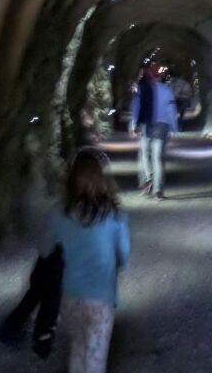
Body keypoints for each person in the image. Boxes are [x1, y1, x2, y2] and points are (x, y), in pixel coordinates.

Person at [40, 147, 130, 373]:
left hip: (69, 296)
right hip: (101, 297)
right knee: (95, 357)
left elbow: (44, 250)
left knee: (78, 349)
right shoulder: (115, 215)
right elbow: (124, 255)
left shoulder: (60, 212)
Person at [0, 245, 64, 358]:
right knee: (49, 302)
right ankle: (41, 343)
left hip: (47, 262)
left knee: (36, 295)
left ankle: (9, 329)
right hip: (55, 263)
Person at [129, 61, 179, 200]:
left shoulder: (142, 89)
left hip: (146, 125)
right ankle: (158, 191)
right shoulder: (166, 90)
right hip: (161, 126)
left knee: (145, 153)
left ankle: (149, 176)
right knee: (158, 157)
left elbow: (136, 108)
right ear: (160, 76)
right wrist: (174, 128)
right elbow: (171, 110)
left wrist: (133, 125)